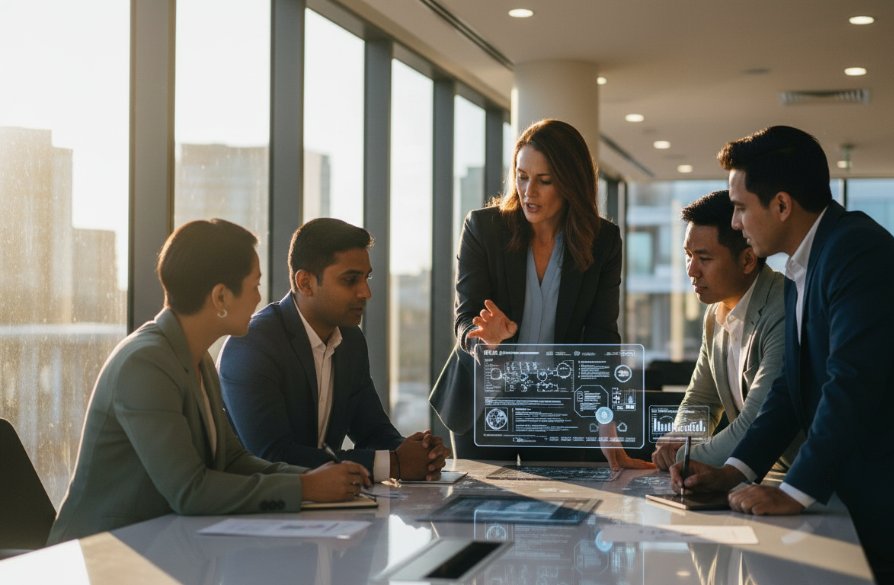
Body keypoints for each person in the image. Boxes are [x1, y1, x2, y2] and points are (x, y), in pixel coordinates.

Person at [671, 126, 894, 580]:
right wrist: (734, 472)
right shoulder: (800, 267)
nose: (735, 223)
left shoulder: (855, 251)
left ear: (782, 205)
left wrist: (795, 490)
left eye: (741, 208)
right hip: (875, 487)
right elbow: (791, 389)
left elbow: (851, 382)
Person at [49, 220, 369, 543]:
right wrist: (306, 487)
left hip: (160, 549)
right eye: (254, 286)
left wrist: (315, 479)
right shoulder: (144, 364)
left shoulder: (197, 358)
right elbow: (190, 490)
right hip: (101, 558)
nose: (259, 299)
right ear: (220, 297)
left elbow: (232, 460)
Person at [429, 118, 629, 463]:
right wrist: (485, 339)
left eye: (544, 180)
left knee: (560, 508)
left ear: (571, 184)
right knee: (481, 508)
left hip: (556, 404)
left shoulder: (603, 241)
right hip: (484, 401)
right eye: (522, 176)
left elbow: (602, 337)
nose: (528, 191)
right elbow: (466, 318)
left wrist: (605, 420)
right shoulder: (484, 228)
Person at [219, 218, 448, 481]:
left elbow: (373, 431)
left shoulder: (350, 340)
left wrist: (418, 452)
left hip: (323, 508)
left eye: (366, 277)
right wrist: (393, 463)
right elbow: (271, 456)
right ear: (305, 283)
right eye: (350, 280)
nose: (366, 292)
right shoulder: (252, 345)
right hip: (255, 512)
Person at [639, 190, 801, 471]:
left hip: (816, 484)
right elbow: (702, 400)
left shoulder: (785, 308)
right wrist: (680, 439)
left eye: (704, 258)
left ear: (748, 260)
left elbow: (755, 422)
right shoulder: (715, 314)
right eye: (688, 255)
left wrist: (683, 459)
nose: (691, 270)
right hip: (769, 475)